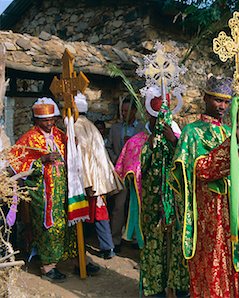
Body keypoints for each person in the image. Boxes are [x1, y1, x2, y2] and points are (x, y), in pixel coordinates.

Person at [170, 76, 239, 297]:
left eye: (227, 102)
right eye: (218, 101)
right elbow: (201, 170)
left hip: (234, 210)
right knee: (213, 262)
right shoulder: (192, 132)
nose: (222, 107)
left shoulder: (229, 130)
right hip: (209, 215)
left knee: (236, 260)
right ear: (206, 98)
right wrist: (231, 145)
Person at [116, 87, 189, 297]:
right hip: (150, 208)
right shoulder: (138, 141)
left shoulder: (181, 138)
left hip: (177, 207)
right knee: (153, 250)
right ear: (149, 114)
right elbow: (129, 170)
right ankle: (155, 290)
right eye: (158, 116)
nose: (161, 121)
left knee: (178, 249)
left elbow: (189, 166)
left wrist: (174, 143)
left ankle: (181, 289)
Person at [10, 98, 77, 282]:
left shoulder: (60, 134)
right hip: (42, 193)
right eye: (44, 120)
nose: (49, 123)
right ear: (36, 120)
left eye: (52, 119)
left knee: (63, 226)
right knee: (47, 227)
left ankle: (61, 260)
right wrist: (41, 160)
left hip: (61, 191)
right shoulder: (28, 138)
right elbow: (16, 164)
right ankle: (47, 267)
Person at [73, 93, 122, 259]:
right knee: (100, 212)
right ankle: (106, 246)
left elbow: (80, 156)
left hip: (88, 178)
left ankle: (106, 247)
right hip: (100, 177)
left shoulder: (77, 128)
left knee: (93, 212)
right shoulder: (91, 127)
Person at [108, 98, 144, 251]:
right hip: (120, 173)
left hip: (137, 174)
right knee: (119, 206)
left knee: (136, 205)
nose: (123, 114)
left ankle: (136, 238)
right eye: (122, 111)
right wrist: (118, 159)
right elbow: (108, 147)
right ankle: (115, 239)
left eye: (127, 111)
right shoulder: (115, 129)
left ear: (135, 111)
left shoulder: (142, 129)